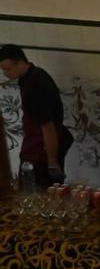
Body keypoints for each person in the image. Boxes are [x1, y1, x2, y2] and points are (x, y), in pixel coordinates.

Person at [0, 44, 72, 186]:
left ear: (20, 62)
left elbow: (48, 126)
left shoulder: (36, 84)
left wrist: (51, 162)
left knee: (39, 189)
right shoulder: (29, 76)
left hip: (41, 148)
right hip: (34, 143)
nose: (6, 74)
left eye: (8, 69)